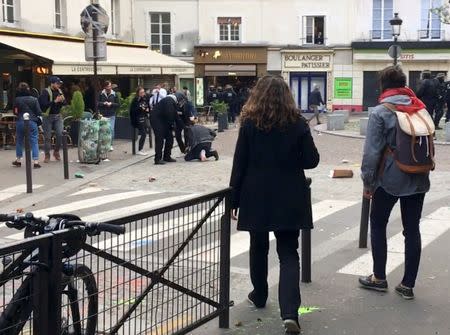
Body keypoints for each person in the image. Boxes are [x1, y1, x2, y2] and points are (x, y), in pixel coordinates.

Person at [230, 75, 320, 334]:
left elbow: (240, 162)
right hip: (289, 194)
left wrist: (233, 199)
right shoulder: (297, 123)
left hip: (256, 193)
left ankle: (259, 294)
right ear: (287, 96)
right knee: (288, 253)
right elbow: (311, 160)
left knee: (258, 247)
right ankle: (290, 313)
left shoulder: (249, 123)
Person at [360, 66, 431, 300]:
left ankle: (379, 277)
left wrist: (368, 182)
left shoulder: (381, 111)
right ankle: (407, 285)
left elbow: (372, 153)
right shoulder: (419, 107)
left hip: (388, 179)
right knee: (412, 230)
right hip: (418, 175)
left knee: (378, 223)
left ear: (383, 86)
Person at [12, 82, 42, 169]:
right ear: (28, 89)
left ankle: (18, 160)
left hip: (21, 122)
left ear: (19, 90)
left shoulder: (17, 100)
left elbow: (15, 112)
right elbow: (39, 112)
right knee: (34, 141)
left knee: (19, 141)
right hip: (32, 122)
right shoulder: (34, 99)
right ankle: (36, 162)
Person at [38, 76, 66, 163]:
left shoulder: (59, 91)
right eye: (57, 84)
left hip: (58, 116)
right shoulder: (45, 92)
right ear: (52, 84)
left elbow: (65, 103)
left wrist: (62, 101)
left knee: (60, 134)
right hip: (48, 117)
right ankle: (47, 155)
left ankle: (56, 151)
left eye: (59, 84)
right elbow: (43, 104)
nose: (59, 85)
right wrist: (55, 101)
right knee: (47, 137)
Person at [150, 94, 180, 165]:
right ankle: (157, 159)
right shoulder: (169, 101)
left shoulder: (170, 102)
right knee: (160, 139)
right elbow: (170, 114)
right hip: (157, 120)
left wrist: (184, 127)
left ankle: (167, 156)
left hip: (163, 121)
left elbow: (176, 117)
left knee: (170, 138)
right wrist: (172, 125)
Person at [98, 81, 120, 151]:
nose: (109, 88)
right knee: (103, 130)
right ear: (105, 87)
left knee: (111, 129)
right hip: (103, 115)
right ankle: (103, 145)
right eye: (108, 86)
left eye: (110, 86)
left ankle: (110, 144)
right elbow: (97, 103)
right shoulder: (101, 94)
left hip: (111, 114)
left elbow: (118, 104)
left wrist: (112, 104)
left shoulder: (114, 94)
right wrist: (103, 103)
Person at [130, 86, 150, 156]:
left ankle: (140, 149)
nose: (143, 93)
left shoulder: (144, 99)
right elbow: (133, 110)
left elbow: (146, 106)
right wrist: (141, 108)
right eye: (141, 92)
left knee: (146, 132)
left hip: (144, 117)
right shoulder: (135, 100)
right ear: (138, 93)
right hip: (138, 119)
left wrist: (147, 109)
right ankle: (140, 150)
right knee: (144, 134)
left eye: (143, 92)